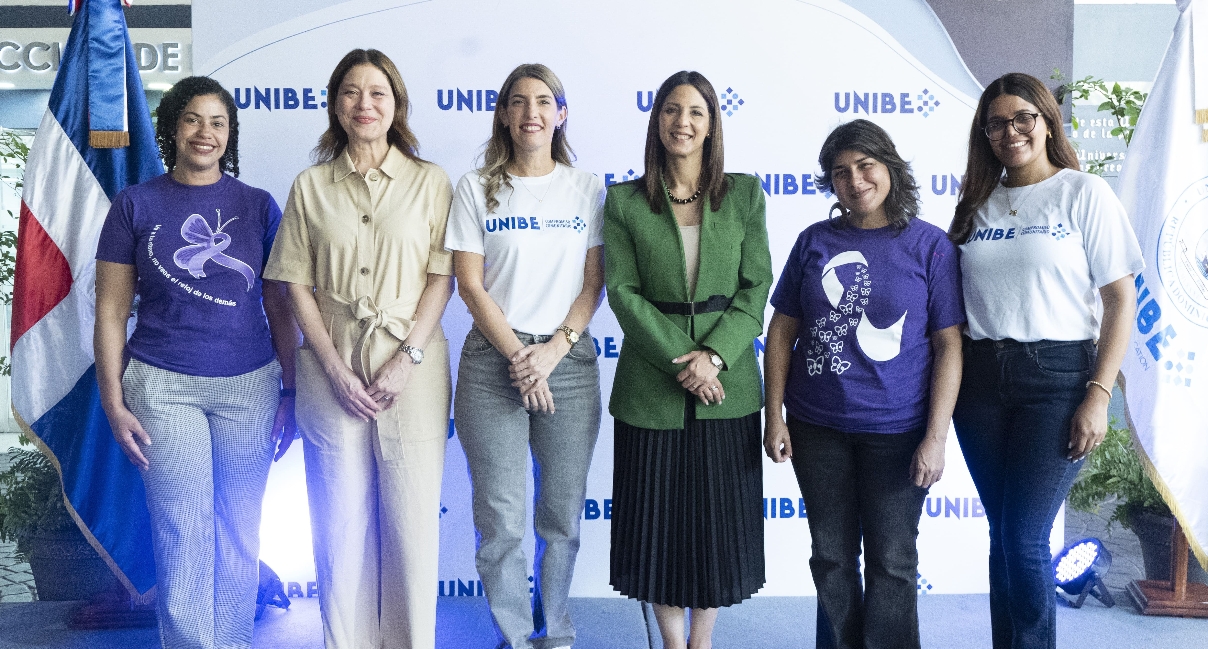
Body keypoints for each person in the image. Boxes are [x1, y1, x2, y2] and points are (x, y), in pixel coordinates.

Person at [94, 76, 298, 649]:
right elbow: (110, 313)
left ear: (230, 134)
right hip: (162, 386)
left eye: (218, 123)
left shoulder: (257, 206)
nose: (204, 133)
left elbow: (280, 307)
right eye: (192, 120)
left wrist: (291, 392)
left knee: (238, 531)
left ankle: (230, 643)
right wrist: (113, 401)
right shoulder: (135, 205)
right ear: (172, 128)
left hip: (251, 386)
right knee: (182, 531)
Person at [262, 49, 455, 649]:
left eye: (377, 93)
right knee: (339, 523)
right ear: (335, 105)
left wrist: (408, 358)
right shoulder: (311, 184)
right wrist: (332, 369)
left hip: (413, 363)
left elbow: (442, 276)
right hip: (330, 363)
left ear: (396, 105)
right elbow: (295, 281)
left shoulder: (431, 181)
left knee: (411, 520)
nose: (363, 104)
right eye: (350, 92)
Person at [948, 72, 1142, 649]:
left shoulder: (1084, 193)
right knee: (1004, 536)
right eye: (997, 123)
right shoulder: (975, 206)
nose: (1011, 132)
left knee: (1026, 538)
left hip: (1056, 380)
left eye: (1023, 118)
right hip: (979, 385)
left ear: (1047, 122)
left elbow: (1120, 299)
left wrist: (1099, 395)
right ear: (984, 134)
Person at [762, 119, 965, 649]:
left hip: (898, 433)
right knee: (831, 557)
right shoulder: (814, 242)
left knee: (892, 562)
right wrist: (775, 414)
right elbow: (782, 331)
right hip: (817, 428)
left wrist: (936, 437)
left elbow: (949, 346)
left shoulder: (931, 247)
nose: (854, 181)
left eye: (865, 166)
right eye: (840, 172)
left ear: (890, 168)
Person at [604, 70, 772, 649]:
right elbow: (622, 293)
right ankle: (673, 644)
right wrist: (686, 360)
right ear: (656, 121)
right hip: (652, 387)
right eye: (672, 110)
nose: (683, 122)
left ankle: (702, 643)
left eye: (696, 112)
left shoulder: (745, 194)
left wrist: (716, 358)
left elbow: (756, 289)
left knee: (717, 531)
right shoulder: (625, 200)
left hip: (728, 391)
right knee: (657, 531)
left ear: (712, 124)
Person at [446, 63, 605, 649]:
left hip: (568, 362)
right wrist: (520, 356)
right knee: (504, 522)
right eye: (518, 102)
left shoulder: (586, 187)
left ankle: (555, 632)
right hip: (494, 365)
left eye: (544, 101)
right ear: (504, 115)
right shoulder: (476, 186)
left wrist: (551, 352)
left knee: (561, 518)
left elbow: (593, 286)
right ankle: (515, 637)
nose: (531, 112)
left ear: (561, 113)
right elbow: (470, 283)